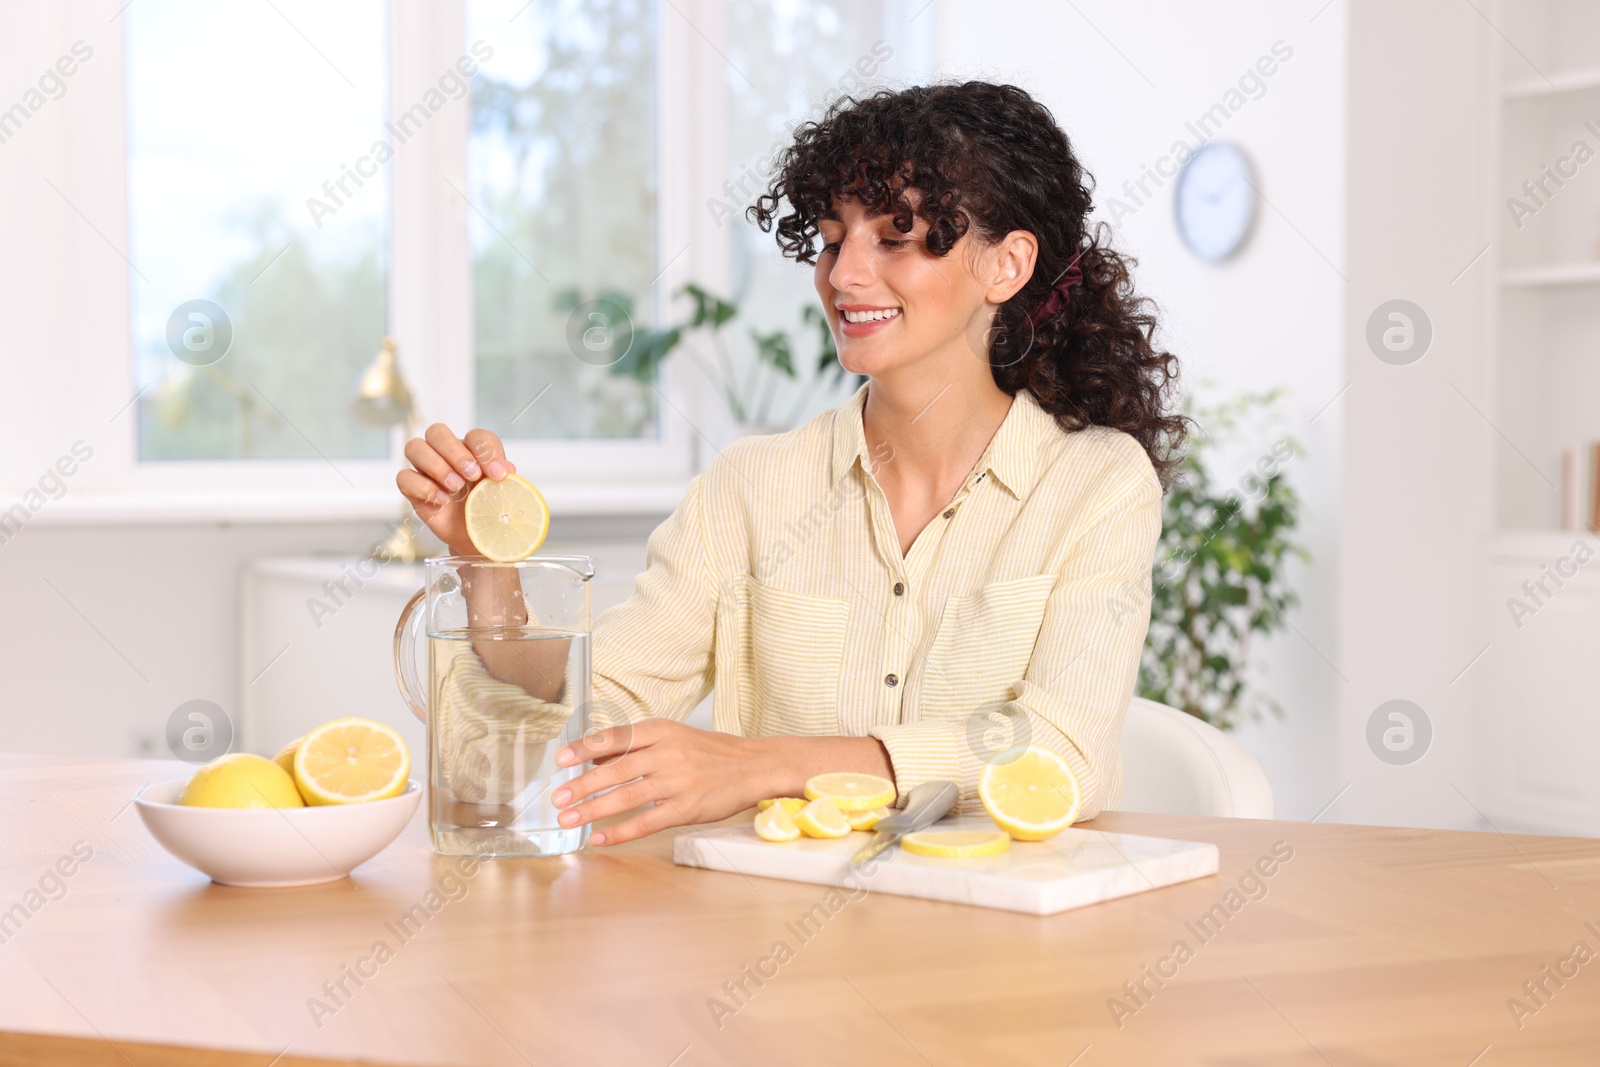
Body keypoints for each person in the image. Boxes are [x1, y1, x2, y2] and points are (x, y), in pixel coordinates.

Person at [397, 81, 1185, 847]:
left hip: (1008, 950)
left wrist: (760, 765)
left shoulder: (1097, 484)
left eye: (895, 237)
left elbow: (1061, 750)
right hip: (777, 947)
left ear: (1005, 266)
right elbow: (584, 718)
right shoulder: (752, 486)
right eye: (834, 239)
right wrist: (486, 569)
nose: (843, 275)